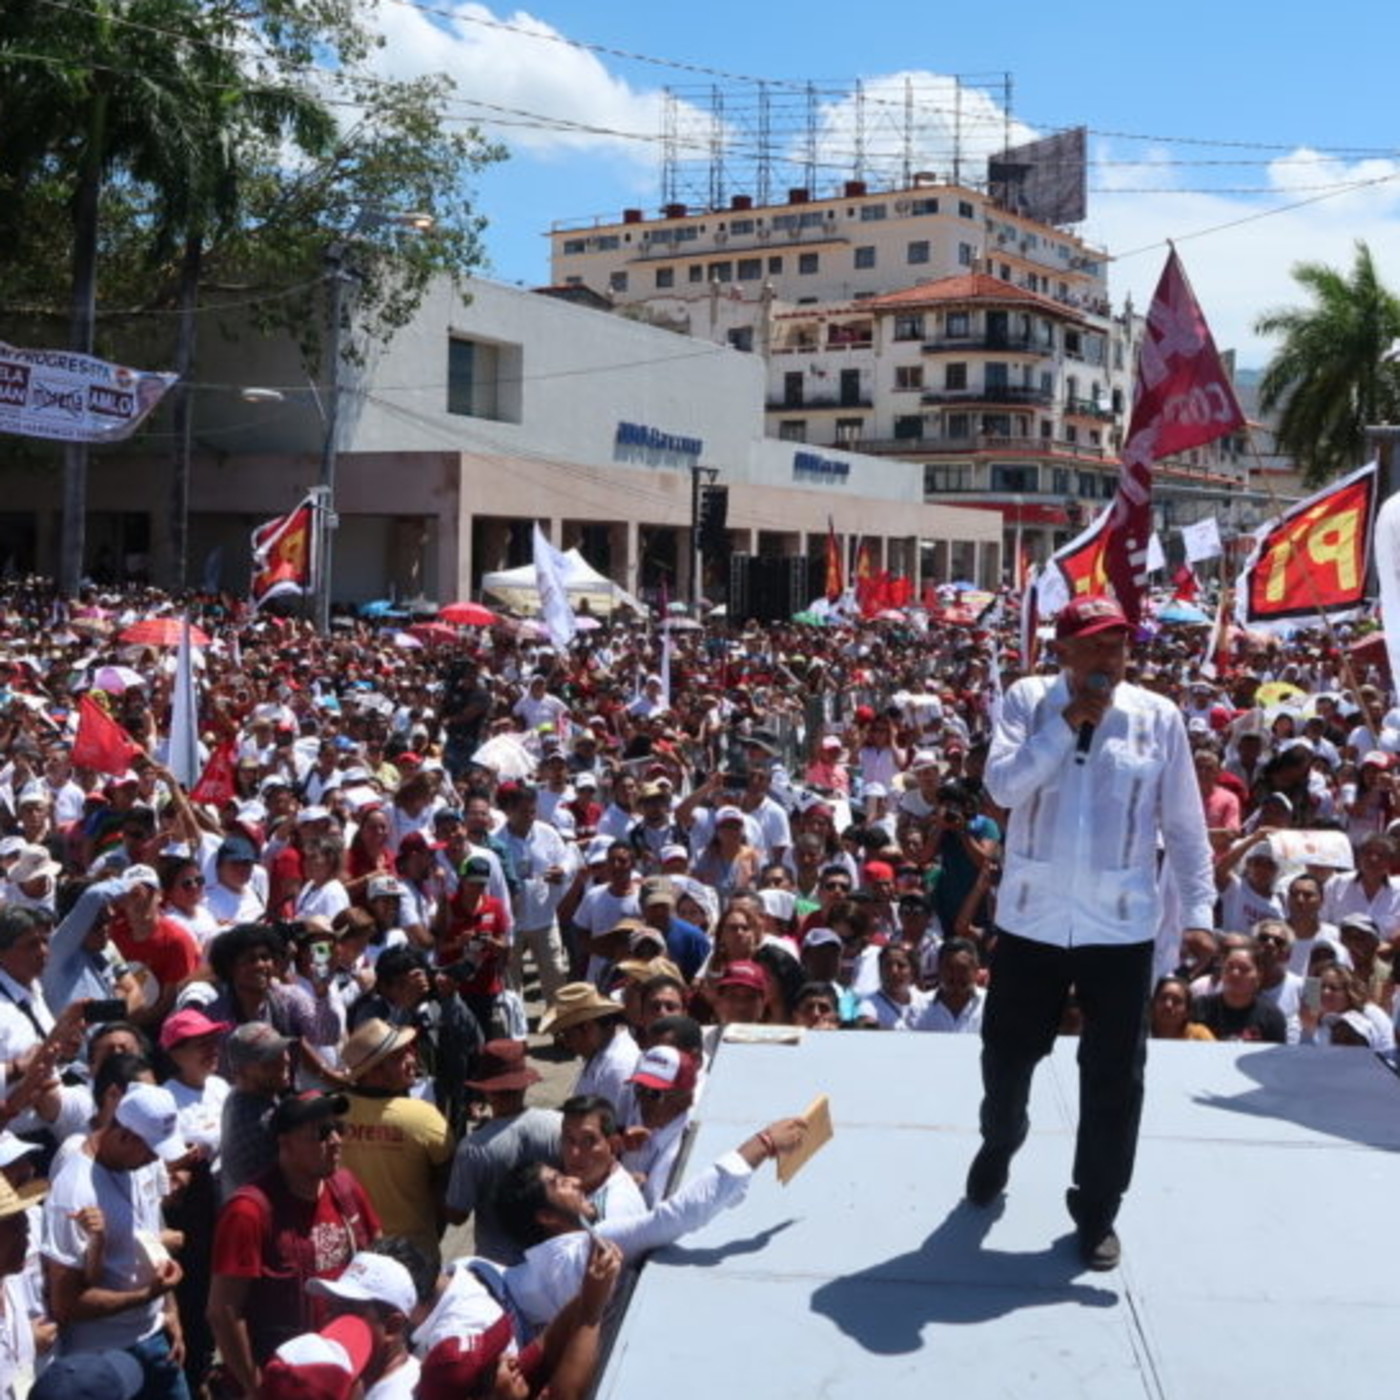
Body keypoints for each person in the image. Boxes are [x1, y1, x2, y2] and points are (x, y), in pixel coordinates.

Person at [967, 595, 1215, 1272]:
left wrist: (1198, 915)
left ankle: (1098, 1207)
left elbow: (1184, 825)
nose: (1111, 657)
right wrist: (1065, 726)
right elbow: (1003, 789)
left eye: (1119, 644)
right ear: (1064, 651)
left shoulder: (1156, 717)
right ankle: (1001, 1138)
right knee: (1007, 1058)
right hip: (1032, 920)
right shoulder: (1027, 702)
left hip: (1120, 926)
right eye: (1096, 645)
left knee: (1114, 1075)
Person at [207, 1090, 381, 1393]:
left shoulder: (345, 1187)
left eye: (338, 1128)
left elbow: (376, 1251)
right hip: (287, 1380)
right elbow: (224, 1312)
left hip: (344, 1368)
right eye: (321, 1132)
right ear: (285, 1142)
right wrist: (256, 1387)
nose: (336, 1141)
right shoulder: (248, 1212)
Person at [42, 1082, 189, 1398]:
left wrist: (170, 1310)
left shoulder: (140, 1164)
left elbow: (151, 1243)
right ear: (125, 1136)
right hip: (103, 1358)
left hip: (155, 1337)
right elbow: (66, 1304)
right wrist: (148, 1295)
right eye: (151, 1150)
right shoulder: (74, 1193)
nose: (155, 1159)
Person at [338, 1019, 455, 1268]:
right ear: (373, 1072)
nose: (412, 1060)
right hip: (415, 1256)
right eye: (399, 1056)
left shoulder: (333, 1113)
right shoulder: (423, 1117)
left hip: (356, 1254)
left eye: (409, 1051)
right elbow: (448, 1190)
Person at [445, 1040, 561, 1265]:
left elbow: (457, 1215)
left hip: (497, 1264)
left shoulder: (473, 1148)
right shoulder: (558, 1126)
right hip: (550, 1257)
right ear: (525, 1085)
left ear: (487, 1091)